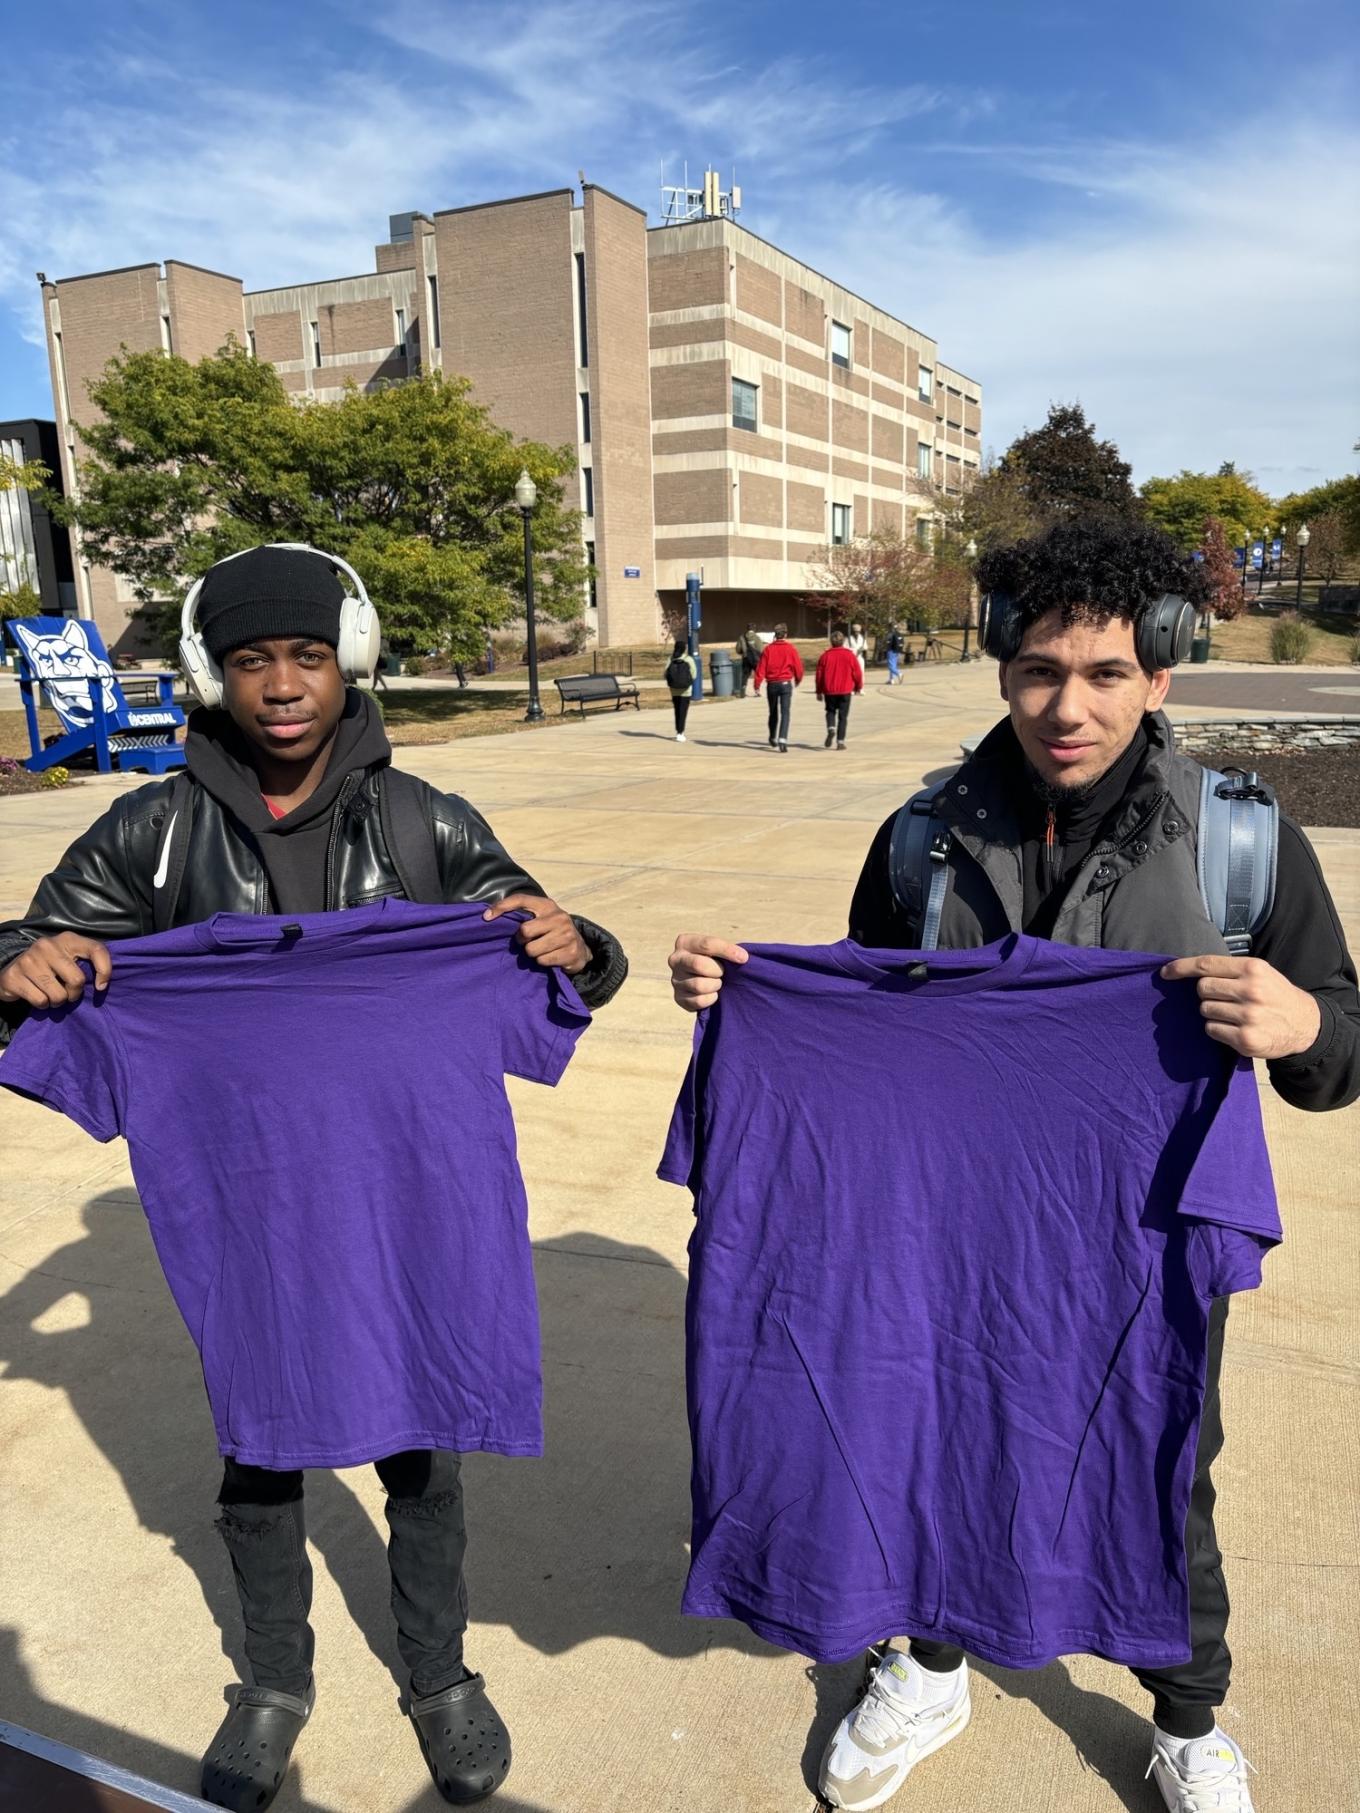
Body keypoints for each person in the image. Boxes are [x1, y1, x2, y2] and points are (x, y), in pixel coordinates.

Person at [666, 516, 1359, 1813]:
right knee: (932, 1432)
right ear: (1000, 669)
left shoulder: (1242, 842)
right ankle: (930, 1659)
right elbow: (860, 1013)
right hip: (937, 1233)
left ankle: (1190, 1716)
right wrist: (745, 996)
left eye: (1104, 674)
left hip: (1133, 1242)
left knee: (1158, 1464)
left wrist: (1306, 1025)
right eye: (1041, 670)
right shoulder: (923, 837)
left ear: (1161, 671)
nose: (1069, 704)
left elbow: (1343, 1046)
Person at [0, 544, 629, 1813]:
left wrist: (587, 944)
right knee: (261, 1446)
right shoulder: (151, 827)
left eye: (302, 656)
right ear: (210, 675)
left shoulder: (425, 820)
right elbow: (34, 935)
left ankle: (440, 1674)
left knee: (419, 1445)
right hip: (249, 1201)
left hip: (408, 1199)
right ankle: (275, 1681)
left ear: (345, 662)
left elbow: (556, 960)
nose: (280, 684)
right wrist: (21, 953)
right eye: (248, 661)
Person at [752, 624, 804, 753]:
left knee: (773, 712)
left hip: (772, 684)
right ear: (785, 635)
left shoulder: (768, 649)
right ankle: (783, 739)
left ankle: (772, 736)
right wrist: (797, 679)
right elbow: (798, 667)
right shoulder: (791, 649)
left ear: (775, 635)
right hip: (785, 683)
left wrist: (757, 685)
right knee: (785, 712)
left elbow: (761, 668)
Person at [815, 624, 863, 750]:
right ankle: (840, 742)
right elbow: (857, 673)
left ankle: (831, 727)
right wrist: (858, 687)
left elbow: (819, 675)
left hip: (829, 690)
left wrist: (819, 691)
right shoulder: (849, 655)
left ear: (832, 642)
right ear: (843, 642)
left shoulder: (825, 656)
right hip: (845, 690)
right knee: (843, 716)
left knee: (830, 711)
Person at [666, 635, 697, 742]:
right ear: (684, 649)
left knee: (677, 711)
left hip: (674, 690)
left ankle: (678, 731)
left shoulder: (670, 659)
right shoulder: (688, 659)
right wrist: (688, 682)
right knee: (683, 711)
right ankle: (680, 732)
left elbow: (665, 673)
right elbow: (694, 674)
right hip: (686, 690)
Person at [735, 624, 761, 698]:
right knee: (758, 674)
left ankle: (743, 689)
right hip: (755, 660)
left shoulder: (742, 637)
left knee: (745, 675)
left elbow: (738, 649)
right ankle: (757, 690)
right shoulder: (757, 637)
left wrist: (743, 653)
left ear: (747, 629)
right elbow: (760, 649)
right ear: (754, 629)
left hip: (746, 658)